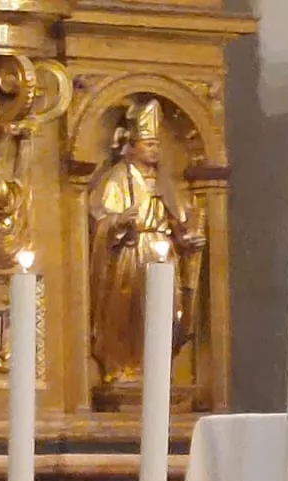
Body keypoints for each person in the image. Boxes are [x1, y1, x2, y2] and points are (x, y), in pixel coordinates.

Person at [88, 96, 206, 386]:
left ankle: (159, 369)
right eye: (149, 143)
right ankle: (125, 367)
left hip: (163, 252)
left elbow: (179, 219)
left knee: (168, 310)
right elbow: (100, 216)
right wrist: (118, 222)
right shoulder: (117, 177)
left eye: (158, 144)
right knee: (129, 310)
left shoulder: (164, 181)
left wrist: (188, 240)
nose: (156, 150)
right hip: (132, 251)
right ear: (132, 146)